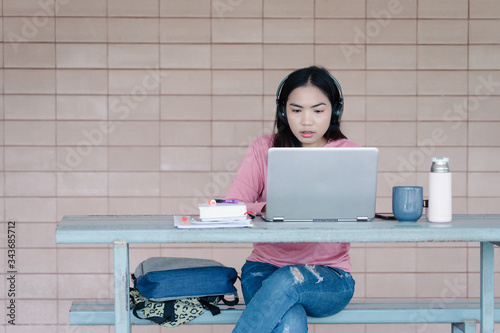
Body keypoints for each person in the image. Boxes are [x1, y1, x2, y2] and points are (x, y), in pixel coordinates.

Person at [225, 66, 358, 332]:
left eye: (318, 111)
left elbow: (355, 213)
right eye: (297, 110)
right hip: (263, 269)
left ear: (335, 110)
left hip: (330, 276)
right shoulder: (264, 148)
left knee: (289, 279)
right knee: (290, 320)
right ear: (284, 111)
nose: (307, 121)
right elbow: (232, 207)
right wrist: (266, 208)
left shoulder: (349, 153)